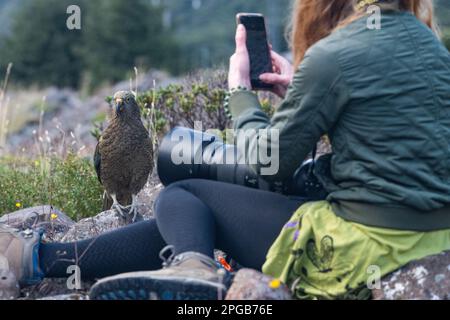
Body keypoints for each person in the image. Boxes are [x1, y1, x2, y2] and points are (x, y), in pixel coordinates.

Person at [1, 0, 450, 300]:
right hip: (432, 231)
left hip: (366, 244)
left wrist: (240, 94)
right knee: (190, 226)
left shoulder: (336, 54)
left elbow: (269, 165)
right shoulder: (432, 47)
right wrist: (302, 91)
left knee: (184, 197)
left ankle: (195, 275)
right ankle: (45, 259)